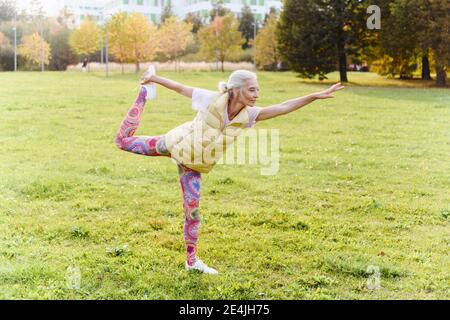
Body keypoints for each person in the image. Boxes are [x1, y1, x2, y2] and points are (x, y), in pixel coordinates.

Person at [115, 66, 344, 274]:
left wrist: (313, 96)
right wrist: (153, 79)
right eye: (252, 90)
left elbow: (283, 107)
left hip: (193, 166)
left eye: (257, 90)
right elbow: (180, 88)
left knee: (192, 213)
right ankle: (145, 94)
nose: (257, 94)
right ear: (236, 90)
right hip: (174, 143)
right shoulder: (210, 99)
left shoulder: (250, 115)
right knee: (122, 141)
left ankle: (191, 261)